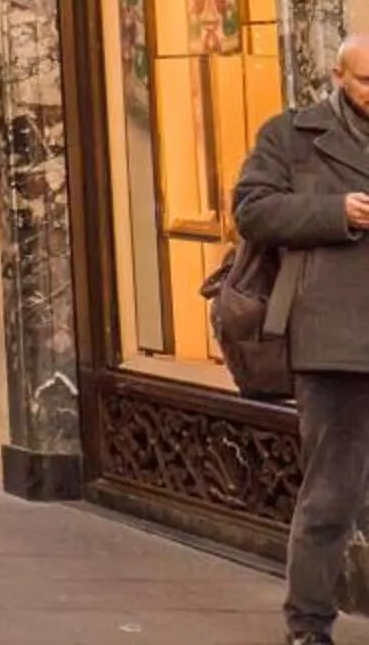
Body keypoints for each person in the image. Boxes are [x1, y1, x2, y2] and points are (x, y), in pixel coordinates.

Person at [229, 33, 369, 644]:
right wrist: (337, 213)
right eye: (367, 81)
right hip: (333, 339)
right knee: (330, 496)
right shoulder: (291, 134)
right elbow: (251, 210)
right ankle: (308, 625)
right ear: (339, 77)